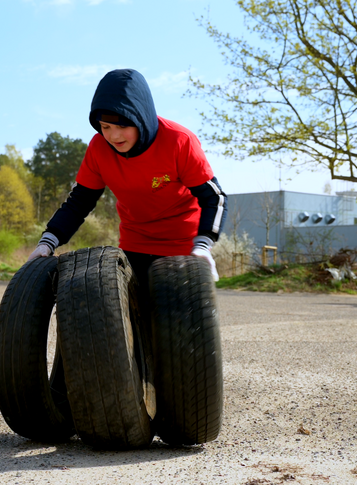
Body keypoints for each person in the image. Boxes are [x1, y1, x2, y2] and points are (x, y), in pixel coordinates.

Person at [27, 68, 228, 309]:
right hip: (135, 244)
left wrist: (204, 244)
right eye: (105, 127)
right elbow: (79, 201)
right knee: (129, 319)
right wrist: (47, 242)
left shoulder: (179, 141)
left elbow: (214, 198)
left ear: (140, 118)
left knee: (178, 326)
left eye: (122, 125)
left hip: (184, 247)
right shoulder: (99, 148)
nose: (114, 135)